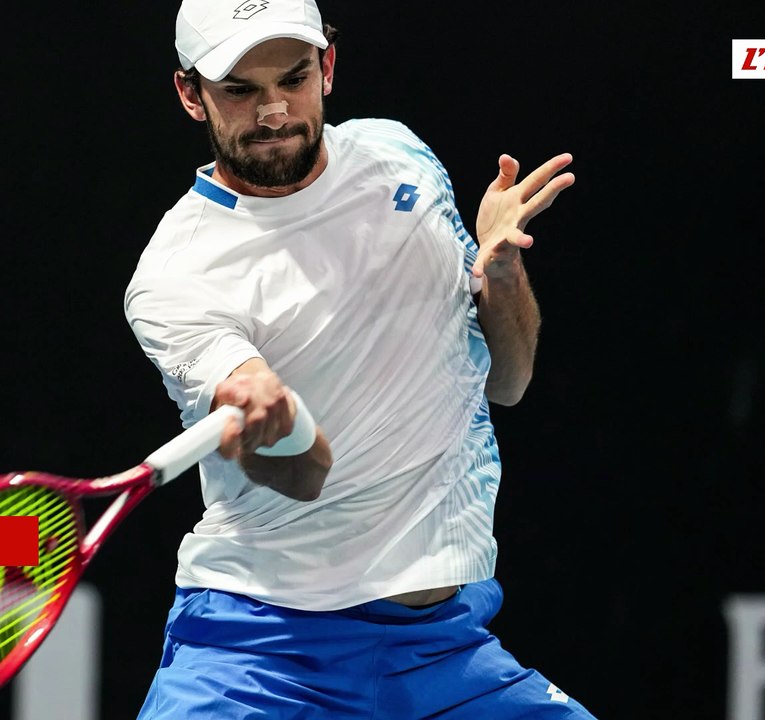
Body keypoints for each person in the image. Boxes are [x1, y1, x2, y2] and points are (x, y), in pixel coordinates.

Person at [122, 1, 591, 717]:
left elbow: (509, 380)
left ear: (328, 67)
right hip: (261, 656)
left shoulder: (399, 155)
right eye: (241, 91)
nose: (275, 111)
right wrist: (268, 421)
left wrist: (499, 275)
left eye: (293, 78)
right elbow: (302, 475)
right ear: (192, 95)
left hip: (445, 649)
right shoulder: (177, 273)